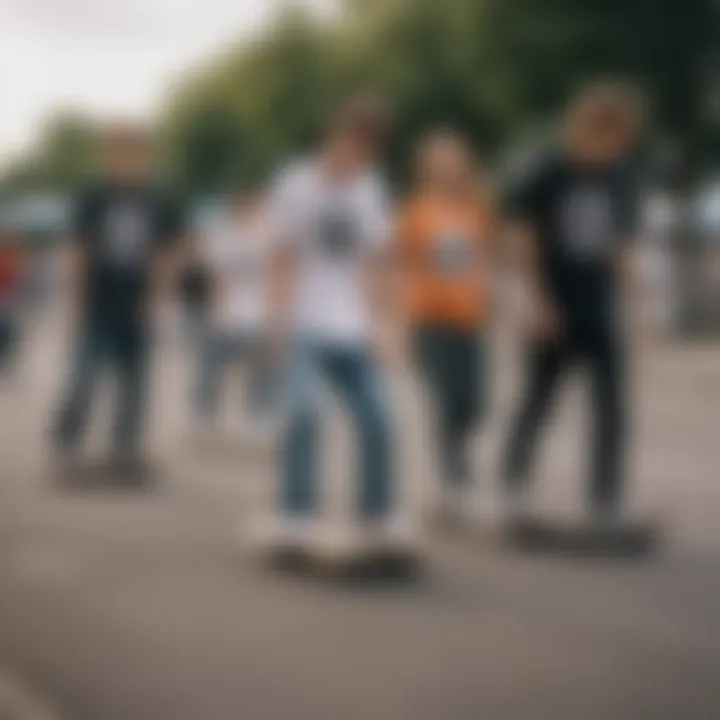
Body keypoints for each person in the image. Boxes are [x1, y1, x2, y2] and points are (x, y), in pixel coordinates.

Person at [260, 92, 405, 555]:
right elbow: (281, 257)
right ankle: (294, 514)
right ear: (332, 137)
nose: (356, 156)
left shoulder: (370, 189)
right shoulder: (295, 184)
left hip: (353, 325)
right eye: (351, 143)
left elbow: (379, 262)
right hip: (303, 320)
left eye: (367, 149)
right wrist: (277, 326)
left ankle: (376, 516)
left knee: (379, 419)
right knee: (304, 414)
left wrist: (386, 328)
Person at [502, 81, 644, 524]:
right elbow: (524, 236)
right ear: (587, 127)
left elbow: (619, 247)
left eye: (622, 139)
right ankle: (514, 487)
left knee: (612, 405)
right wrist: (536, 301)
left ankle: (605, 499)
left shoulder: (618, 177)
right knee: (540, 399)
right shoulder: (548, 171)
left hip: (596, 304)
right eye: (610, 136)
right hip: (553, 302)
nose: (615, 147)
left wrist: (637, 307)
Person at [53, 123, 184, 474]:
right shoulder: (94, 196)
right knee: (83, 377)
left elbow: (165, 254)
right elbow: (81, 250)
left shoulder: (157, 199)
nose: (128, 160)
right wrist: (75, 303)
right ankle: (66, 444)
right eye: (122, 152)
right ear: (111, 155)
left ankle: (124, 449)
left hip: (137, 304)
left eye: (135, 153)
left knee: (134, 383)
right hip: (98, 302)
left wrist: (158, 300)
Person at [396, 129, 496, 521]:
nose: (449, 165)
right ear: (426, 167)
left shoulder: (475, 209)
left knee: (474, 404)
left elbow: (486, 256)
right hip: (429, 315)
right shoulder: (417, 211)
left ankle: (456, 470)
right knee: (445, 398)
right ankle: (452, 482)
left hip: (469, 316)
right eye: (440, 159)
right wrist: (397, 320)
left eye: (455, 157)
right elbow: (399, 263)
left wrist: (492, 295)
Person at [192, 187, 275, 437]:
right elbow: (217, 278)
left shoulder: (270, 235)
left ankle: (260, 415)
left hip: (259, 314)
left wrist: (273, 315)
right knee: (211, 367)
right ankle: (204, 414)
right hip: (227, 313)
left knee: (261, 369)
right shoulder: (222, 234)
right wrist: (217, 311)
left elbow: (276, 276)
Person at [0, 233, 26, 374]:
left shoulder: (9, 255)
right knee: (7, 334)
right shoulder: (9, 255)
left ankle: (4, 359)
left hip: (7, 302)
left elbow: (15, 279)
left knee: (7, 334)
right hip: (6, 303)